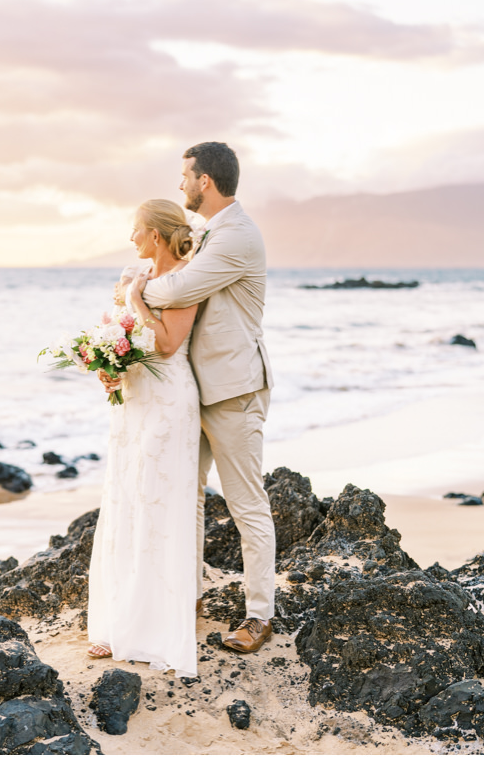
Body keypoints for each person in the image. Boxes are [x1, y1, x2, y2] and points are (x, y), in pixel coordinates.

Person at [130, 141, 275, 654]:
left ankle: (260, 616)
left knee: (246, 504)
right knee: (186, 497)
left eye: (185, 176)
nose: (180, 185)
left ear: (205, 181)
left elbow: (176, 292)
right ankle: (186, 599)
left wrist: (134, 289)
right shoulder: (207, 233)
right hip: (195, 390)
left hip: (234, 389)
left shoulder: (236, 235)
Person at [86, 199, 202, 677]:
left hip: (170, 400)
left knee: (158, 502)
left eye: (136, 230)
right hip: (134, 397)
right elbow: (122, 336)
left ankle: (155, 628)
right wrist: (108, 367)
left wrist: (136, 300)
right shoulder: (133, 272)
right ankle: (116, 623)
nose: (131, 238)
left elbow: (170, 342)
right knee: (125, 500)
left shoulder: (185, 281)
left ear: (155, 234)